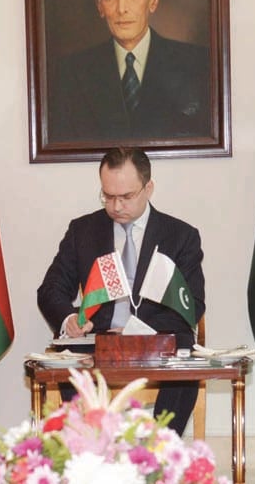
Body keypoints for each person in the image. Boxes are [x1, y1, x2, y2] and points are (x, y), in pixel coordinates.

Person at [37, 146, 205, 435]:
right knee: (67, 361)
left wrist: (136, 331)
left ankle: (158, 451)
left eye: (126, 196)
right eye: (108, 196)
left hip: (158, 342)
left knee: (185, 358)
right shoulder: (83, 231)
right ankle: (92, 447)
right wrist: (69, 319)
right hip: (98, 342)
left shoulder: (180, 236)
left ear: (148, 188)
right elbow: (50, 289)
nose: (116, 206)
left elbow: (193, 305)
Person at [48, 0, 211, 143]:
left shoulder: (197, 64)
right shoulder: (72, 72)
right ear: (100, 5)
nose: (122, 8)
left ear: (153, 0)